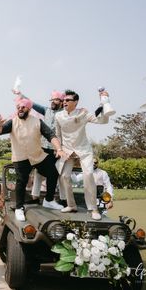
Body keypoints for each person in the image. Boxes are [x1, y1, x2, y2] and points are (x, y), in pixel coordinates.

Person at [0, 98, 65, 222]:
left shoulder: (38, 121)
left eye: (23, 107)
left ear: (29, 108)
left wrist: (59, 149)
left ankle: (49, 201)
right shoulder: (12, 122)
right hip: (20, 157)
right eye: (18, 107)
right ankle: (19, 208)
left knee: (53, 172)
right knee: (22, 180)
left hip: (37, 155)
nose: (20, 109)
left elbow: (51, 135)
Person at [55, 89, 110, 220]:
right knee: (64, 176)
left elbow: (102, 121)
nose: (64, 102)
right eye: (64, 100)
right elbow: (57, 134)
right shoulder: (58, 116)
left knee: (88, 175)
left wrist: (104, 105)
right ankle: (71, 205)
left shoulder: (83, 113)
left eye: (68, 100)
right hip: (67, 150)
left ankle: (93, 209)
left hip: (84, 150)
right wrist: (58, 149)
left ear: (76, 102)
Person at [13, 90, 67, 205]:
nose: (53, 102)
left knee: (57, 173)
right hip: (42, 147)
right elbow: (31, 103)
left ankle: (58, 199)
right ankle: (35, 197)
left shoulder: (64, 114)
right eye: (52, 100)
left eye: (56, 100)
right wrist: (21, 94)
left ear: (62, 102)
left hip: (55, 149)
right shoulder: (46, 110)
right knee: (37, 173)